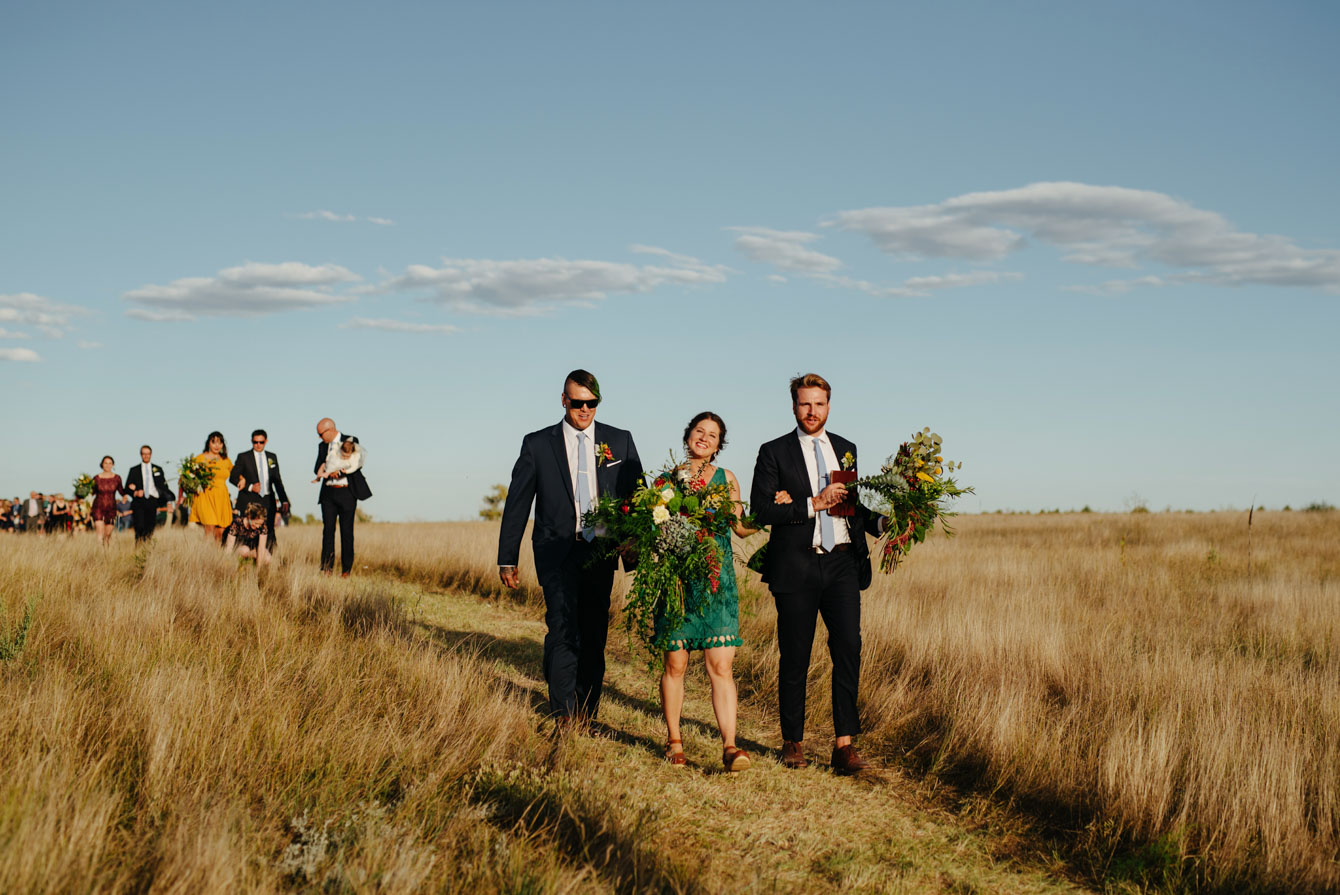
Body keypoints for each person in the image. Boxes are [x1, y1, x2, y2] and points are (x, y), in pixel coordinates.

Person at [750, 373, 887, 775]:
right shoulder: (773, 451)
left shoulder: (846, 449)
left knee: (849, 648)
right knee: (796, 654)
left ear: (830, 405)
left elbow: (852, 506)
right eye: (805, 404)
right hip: (797, 565)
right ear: (794, 406)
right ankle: (793, 741)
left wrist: (881, 523)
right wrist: (812, 503)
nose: (812, 411)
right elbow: (761, 511)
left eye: (819, 404)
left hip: (843, 562)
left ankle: (844, 745)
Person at [497, 369, 644, 727]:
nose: (584, 410)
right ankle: (564, 712)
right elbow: (518, 503)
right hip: (556, 551)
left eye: (591, 403)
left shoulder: (619, 440)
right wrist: (507, 557)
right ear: (563, 400)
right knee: (563, 628)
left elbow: (637, 495)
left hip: (601, 551)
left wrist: (634, 545)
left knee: (593, 635)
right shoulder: (537, 444)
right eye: (577, 402)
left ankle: (586, 711)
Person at [657, 412, 759, 772]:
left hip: (716, 582)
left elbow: (740, 527)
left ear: (719, 446)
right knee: (676, 663)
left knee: (721, 664)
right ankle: (675, 742)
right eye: (699, 431)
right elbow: (654, 527)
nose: (704, 438)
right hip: (678, 581)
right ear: (688, 436)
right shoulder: (665, 481)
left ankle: (730, 746)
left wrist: (771, 515)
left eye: (712, 435)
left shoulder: (725, 478)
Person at [314, 418, 372, 576]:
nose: (319, 438)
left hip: (346, 492)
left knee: (347, 532)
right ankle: (327, 568)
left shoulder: (351, 440)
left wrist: (338, 471)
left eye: (321, 434)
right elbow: (316, 467)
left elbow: (355, 463)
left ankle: (346, 569)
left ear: (330, 429)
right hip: (328, 492)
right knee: (328, 531)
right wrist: (327, 471)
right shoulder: (322, 446)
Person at [229, 429, 290, 551]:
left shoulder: (272, 457)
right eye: (255, 442)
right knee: (248, 531)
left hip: (268, 500)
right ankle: (244, 558)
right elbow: (233, 477)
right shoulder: (243, 457)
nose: (258, 445)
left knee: (269, 530)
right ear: (251, 441)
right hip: (249, 500)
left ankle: (270, 559)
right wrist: (250, 487)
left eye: (261, 442)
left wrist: (284, 500)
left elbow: (277, 480)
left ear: (266, 441)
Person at [183, 431, 234, 541]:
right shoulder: (200, 458)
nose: (217, 445)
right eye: (214, 442)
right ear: (208, 443)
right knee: (209, 527)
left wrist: (242, 479)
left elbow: (235, 473)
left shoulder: (225, 460)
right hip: (205, 496)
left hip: (222, 497)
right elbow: (185, 477)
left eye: (220, 443)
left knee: (221, 531)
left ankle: (217, 556)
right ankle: (206, 555)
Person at [123, 445, 174, 543]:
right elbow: (127, 488)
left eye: (148, 454)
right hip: (139, 502)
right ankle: (138, 546)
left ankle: (147, 547)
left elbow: (164, 487)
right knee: (139, 526)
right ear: (141, 455)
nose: (146, 456)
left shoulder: (157, 469)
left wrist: (168, 501)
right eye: (144, 454)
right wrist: (135, 492)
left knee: (150, 526)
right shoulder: (134, 470)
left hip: (152, 501)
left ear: (151, 454)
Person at [224, 500, 273, 565]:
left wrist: (258, 571)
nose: (258, 526)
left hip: (254, 550)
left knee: (268, 557)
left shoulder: (262, 527)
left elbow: (261, 548)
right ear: (249, 517)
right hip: (238, 550)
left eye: (260, 524)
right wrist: (226, 563)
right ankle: (241, 563)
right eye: (256, 523)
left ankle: (254, 566)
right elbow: (229, 547)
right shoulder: (237, 523)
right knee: (245, 549)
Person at [90, 458, 124, 546]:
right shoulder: (96, 478)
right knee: (99, 532)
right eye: (106, 463)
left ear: (113, 465)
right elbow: (91, 492)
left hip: (111, 507)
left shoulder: (117, 478)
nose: (108, 465)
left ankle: (106, 552)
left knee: (108, 534)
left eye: (110, 463)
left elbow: (122, 491)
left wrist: (131, 489)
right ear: (102, 464)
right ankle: (99, 553)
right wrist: (82, 490)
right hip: (98, 507)